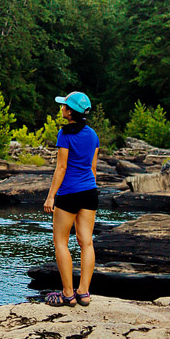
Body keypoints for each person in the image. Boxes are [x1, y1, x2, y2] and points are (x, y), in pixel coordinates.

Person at [42, 90, 99, 307]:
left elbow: (61, 167)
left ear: (70, 111)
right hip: (89, 192)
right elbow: (93, 169)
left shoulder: (64, 134)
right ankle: (84, 293)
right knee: (86, 242)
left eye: (64, 105)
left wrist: (50, 197)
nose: (61, 108)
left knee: (61, 243)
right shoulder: (93, 135)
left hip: (68, 194)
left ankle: (68, 294)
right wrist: (89, 188)